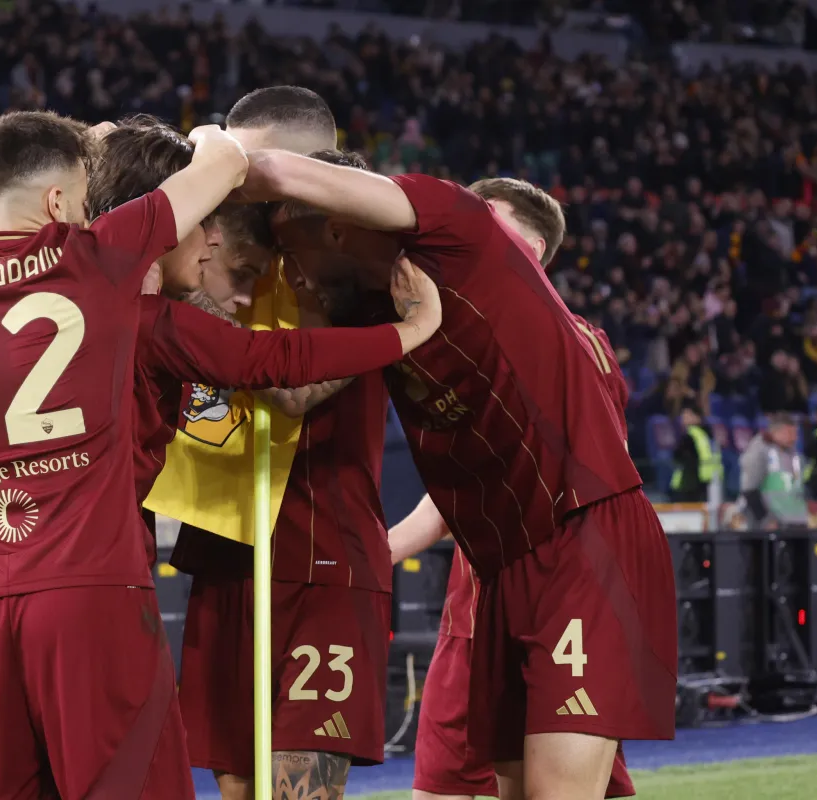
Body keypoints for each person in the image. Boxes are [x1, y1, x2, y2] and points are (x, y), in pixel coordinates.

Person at [0, 116, 444, 800]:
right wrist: (410, 328)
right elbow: (274, 364)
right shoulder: (112, 280)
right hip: (59, 567)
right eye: (219, 238)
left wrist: (10, 227)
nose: (217, 254)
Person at [246, 152, 677, 799]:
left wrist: (189, 175)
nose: (292, 275)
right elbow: (291, 390)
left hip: (580, 537)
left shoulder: (457, 222)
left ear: (337, 226)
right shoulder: (377, 309)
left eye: (291, 252)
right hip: (499, 565)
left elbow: (278, 169)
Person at [173, 88, 398, 800]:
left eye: (255, 163)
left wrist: (173, 298)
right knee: (238, 787)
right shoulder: (209, 242)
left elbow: (288, 387)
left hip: (319, 550)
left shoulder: (357, 256)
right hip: (224, 546)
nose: (239, 178)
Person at [387, 178, 634, 800]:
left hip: (556, 602)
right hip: (475, 615)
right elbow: (466, 484)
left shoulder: (568, 342)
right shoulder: (475, 331)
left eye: (487, 222)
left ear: (532, 250)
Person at [738, 413, 806, 530]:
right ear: (775, 432)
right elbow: (750, 491)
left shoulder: (792, 454)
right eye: (790, 433)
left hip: (794, 522)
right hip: (770, 525)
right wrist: (765, 520)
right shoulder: (759, 451)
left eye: (795, 433)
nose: (794, 438)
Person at [670, 404, 721, 503]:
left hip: (690, 484)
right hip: (710, 480)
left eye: (688, 415)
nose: (684, 419)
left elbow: (679, 456)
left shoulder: (691, 435)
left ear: (697, 417)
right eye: (683, 416)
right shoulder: (708, 434)